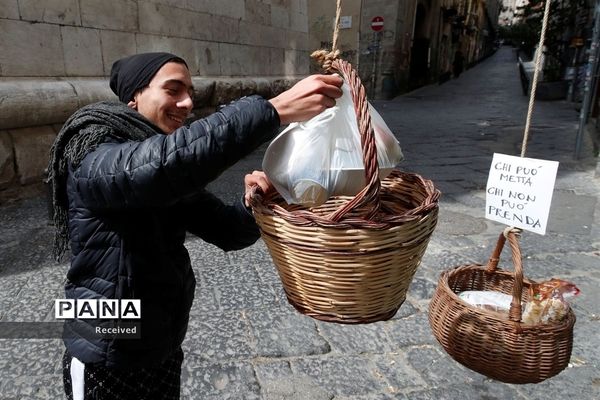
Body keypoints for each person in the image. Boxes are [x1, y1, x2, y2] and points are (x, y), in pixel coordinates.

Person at [47, 52, 343, 399]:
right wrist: (271, 110)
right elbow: (160, 166)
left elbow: (229, 230)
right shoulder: (92, 148)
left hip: (161, 344)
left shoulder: (164, 168)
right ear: (133, 98)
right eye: (173, 90)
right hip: (105, 352)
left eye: (190, 91)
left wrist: (255, 202)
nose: (187, 102)